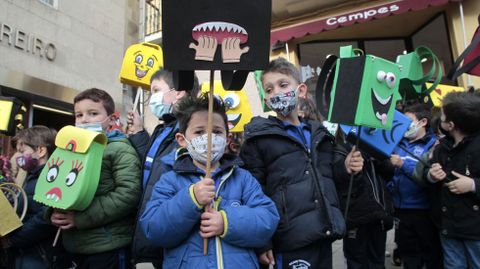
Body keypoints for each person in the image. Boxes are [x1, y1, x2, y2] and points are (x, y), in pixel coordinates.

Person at [240, 57, 363, 269]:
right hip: (289, 240)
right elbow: (253, 193)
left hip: (323, 233)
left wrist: (347, 168)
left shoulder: (320, 135)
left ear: (301, 90)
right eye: (269, 90)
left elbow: (331, 179)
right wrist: (262, 241)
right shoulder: (258, 139)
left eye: (283, 85)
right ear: (266, 100)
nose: (276, 92)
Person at [139, 94, 279, 268]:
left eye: (217, 131)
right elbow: (154, 229)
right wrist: (191, 199)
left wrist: (227, 222)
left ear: (227, 139)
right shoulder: (170, 180)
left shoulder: (242, 178)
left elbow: (268, 218)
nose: (210, 138)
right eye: (199, 132)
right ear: (182, 140)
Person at [49, 88, 141, 269]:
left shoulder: (120, 149)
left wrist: (79, 219)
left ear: (112, 119)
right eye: (79, 115)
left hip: (107, 248)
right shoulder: (70, 151)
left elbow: (128, 194)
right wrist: (52, 212)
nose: (84, 119)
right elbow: (56, 184)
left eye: (93, 113)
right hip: (73, 247)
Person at [126, 69, 200, 266]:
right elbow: (153, 168)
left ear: (179, 92)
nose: (152, 98)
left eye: (156, 90)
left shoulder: (190, 132)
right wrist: (139, 133)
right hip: (146, 232)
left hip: (166, 239)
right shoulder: (163, 129)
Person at [1, 126, 71, 269]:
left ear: (41, 151)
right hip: (27, 254)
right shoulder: (31, 176)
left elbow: (45, 218)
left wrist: (13, 240)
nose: (18, 157)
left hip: (40, 255)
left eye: (22, 151)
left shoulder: (53, 178)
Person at [427, 91, 480, 269]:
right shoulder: (442, 147)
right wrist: (432, 175)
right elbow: (427, 175)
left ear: (451, 125)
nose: (439, 119)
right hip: (448, 227)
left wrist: (473, 185)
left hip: (475, 231)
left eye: (442, 116)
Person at [387, 103, 443, 269]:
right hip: (400, 210)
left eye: (408, 120)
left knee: (431, 255)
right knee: (409, 256)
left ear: (423, 122)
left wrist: (402, 164)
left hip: (424, 211)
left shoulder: (434, 145)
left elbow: (427, 174)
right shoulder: (398, 144)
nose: (404, 125)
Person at [333, 131, 394, 269]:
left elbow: (388, 172)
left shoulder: (373, 143)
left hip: (379, 215)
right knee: (357, 263)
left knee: (377, 262)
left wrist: (378, 155)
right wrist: (347, 169)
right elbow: (338, 176)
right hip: (356, 219)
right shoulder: (339, 147)